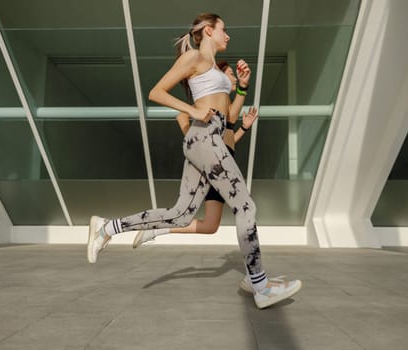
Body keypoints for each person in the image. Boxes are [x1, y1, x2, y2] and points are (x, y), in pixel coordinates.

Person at [87, 12, 302, 309]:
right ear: (208, 31)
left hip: (210, 139)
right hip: (204, 138)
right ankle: (261, 286)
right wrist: (194, 111)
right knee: (245, 205)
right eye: (224, 30)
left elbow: (229, 117)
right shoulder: (195, 59)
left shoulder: (213, 67)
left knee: (182, 215)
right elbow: (156, 92)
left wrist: (241, 85)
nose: (228, 36)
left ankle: (108, 228)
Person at [131, 60, 257, 248]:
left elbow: (229, 141)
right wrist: (198, 146)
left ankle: (156, 229)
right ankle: (256, 276)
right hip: (212, 162)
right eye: (229, 74)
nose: (233, 78)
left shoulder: (224, 104)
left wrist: (244, 129)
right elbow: (185, 121)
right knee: (242, 208)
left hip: (223, 158)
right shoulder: (212, 104)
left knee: (211, 225)